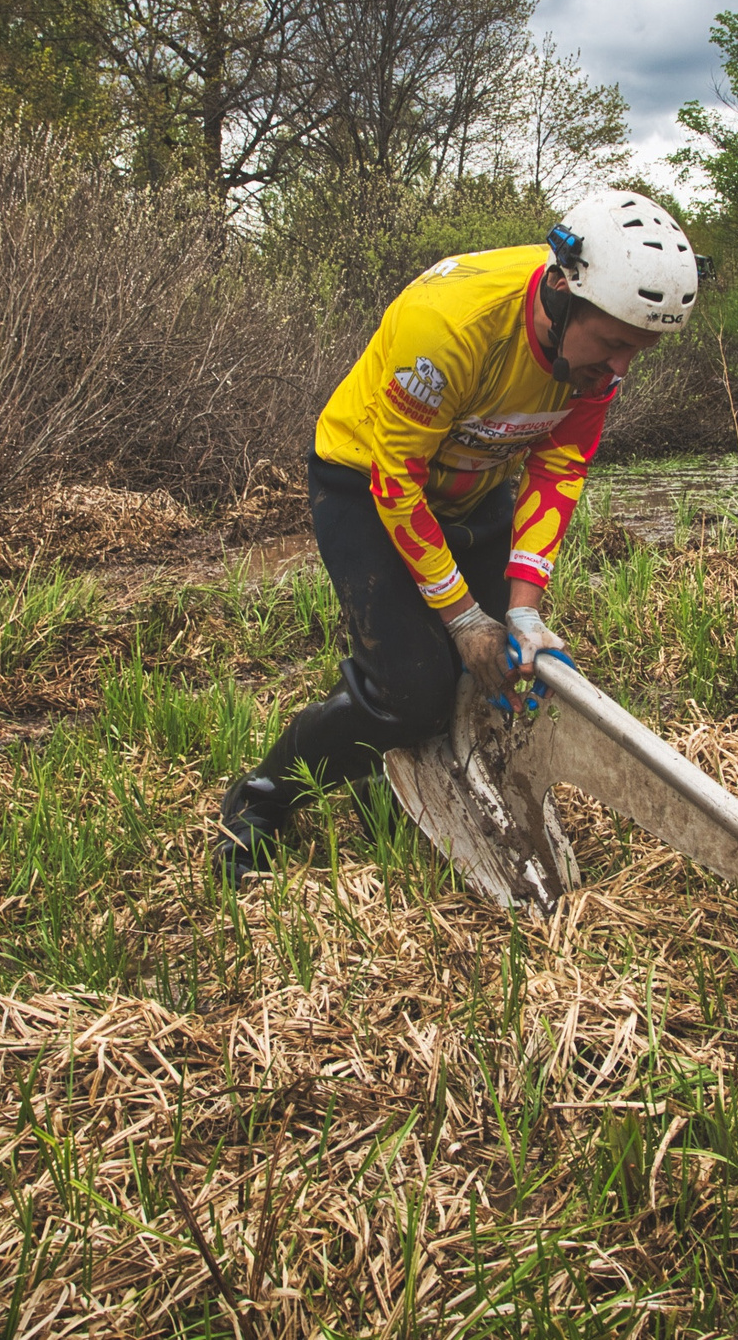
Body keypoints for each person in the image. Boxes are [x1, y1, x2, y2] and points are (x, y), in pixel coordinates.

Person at [215, 190, 703, 883]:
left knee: (502, 664)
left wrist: (523, 611)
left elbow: (559, 467)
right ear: (562, 292)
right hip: (368, 480)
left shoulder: (594, 361)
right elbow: (397, 483)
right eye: (616, 344)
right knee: (409, 691)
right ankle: (260, 799)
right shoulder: (448, 325)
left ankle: (391, 768)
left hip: (472, 486)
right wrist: (463, 616)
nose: (621, 370)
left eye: (640, 352)